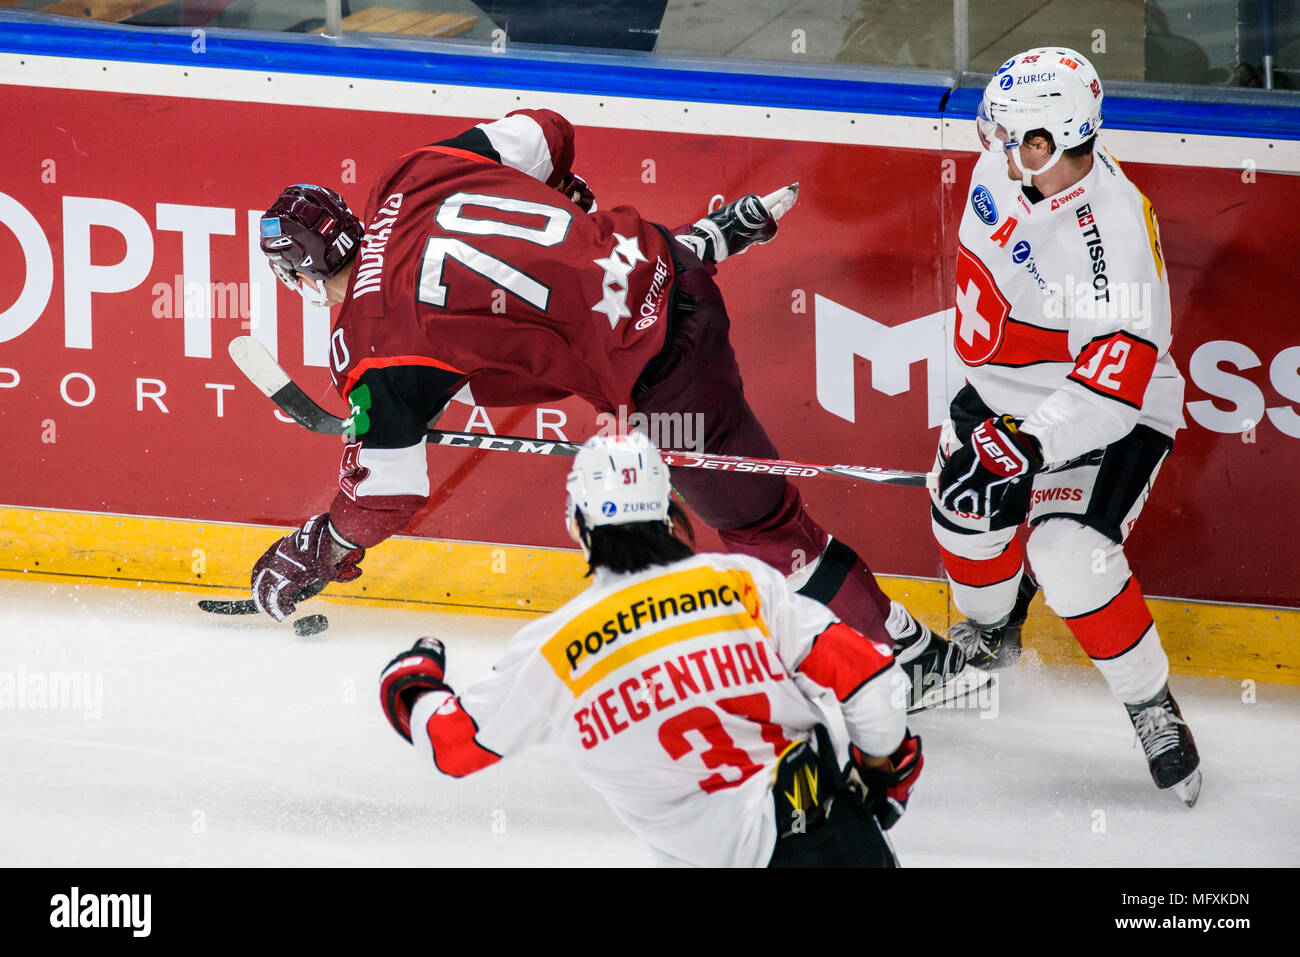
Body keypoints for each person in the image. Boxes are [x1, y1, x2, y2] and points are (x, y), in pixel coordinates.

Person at [250, 107, 975, 706]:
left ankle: (913, 661)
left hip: (669, 373)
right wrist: (567, 204)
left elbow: (385, 495)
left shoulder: (368, 348)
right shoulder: (415, 173)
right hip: (661, 257)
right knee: (592, 309)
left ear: (295, 274)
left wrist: (316, 548)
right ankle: (705, 242)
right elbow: (547, 130)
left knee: (765, 527)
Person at [378, 433, 923, 867]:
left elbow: (455, 747)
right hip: (829, 832)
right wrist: (881, 766)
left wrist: (414, 684)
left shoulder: (555, 648)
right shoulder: (741, 584)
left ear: (577, 523)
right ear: (670, 511)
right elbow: (867, 674)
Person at [932, 47, 1201, 805]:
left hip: (1111, 412)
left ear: (1046, 143)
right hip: (1002, 390)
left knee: (1068, 554)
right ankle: (990, 634)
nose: (990, 138)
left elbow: (1110, 390)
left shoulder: (1111, 241)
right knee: (962, 513)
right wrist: (1002, 433)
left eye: (1007, 130)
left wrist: (1030, 445)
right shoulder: (1007, 168)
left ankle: (1150, 702)